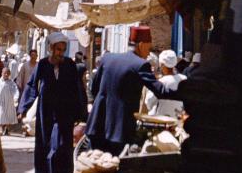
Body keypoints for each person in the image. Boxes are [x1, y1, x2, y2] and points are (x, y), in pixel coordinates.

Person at [86, 25, 175, 156]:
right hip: (119, 130)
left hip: (97, 125)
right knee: (114, 166)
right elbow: (161, 91)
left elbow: (94, 88)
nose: (148, 53)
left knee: (92, 164)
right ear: (141, 45)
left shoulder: (107, 58)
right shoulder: (140, 64)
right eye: (148, 48)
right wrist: (186, 92)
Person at [18, 31, 80, 173]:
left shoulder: (70, 65)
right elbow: (32, 86)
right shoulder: (43, 65)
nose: (61, 53)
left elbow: (76, 89)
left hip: (64, 115)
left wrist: (79, 113)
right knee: (47, 149)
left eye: (63, 50)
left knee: (60, 148)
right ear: (51, 48)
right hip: (46, 114)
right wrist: (23, 108)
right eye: (58, 50)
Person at [145, 49, 187, 119]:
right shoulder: (184, 79)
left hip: (160, 120)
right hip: (179, 120)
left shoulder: (159, 82)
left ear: (162, 65)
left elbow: (148, 103)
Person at [0, 67, 19, 135]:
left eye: (7, 73)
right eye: (5, 73)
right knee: (0, 114)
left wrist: (15, 97)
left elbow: (15, 90)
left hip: (9, 102)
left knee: (8, 115)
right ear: (2, 73)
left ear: (9, 74)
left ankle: (6, 128)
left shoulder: (11, 82)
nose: (6, 74)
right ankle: (0, 128)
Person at [74, 52, 89, 122]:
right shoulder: (83, 66)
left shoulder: (72, 65)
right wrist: (85, 86)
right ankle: (83, 116)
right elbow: (84, 78)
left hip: (73, 86)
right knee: (83, 100)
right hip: (80, 85)